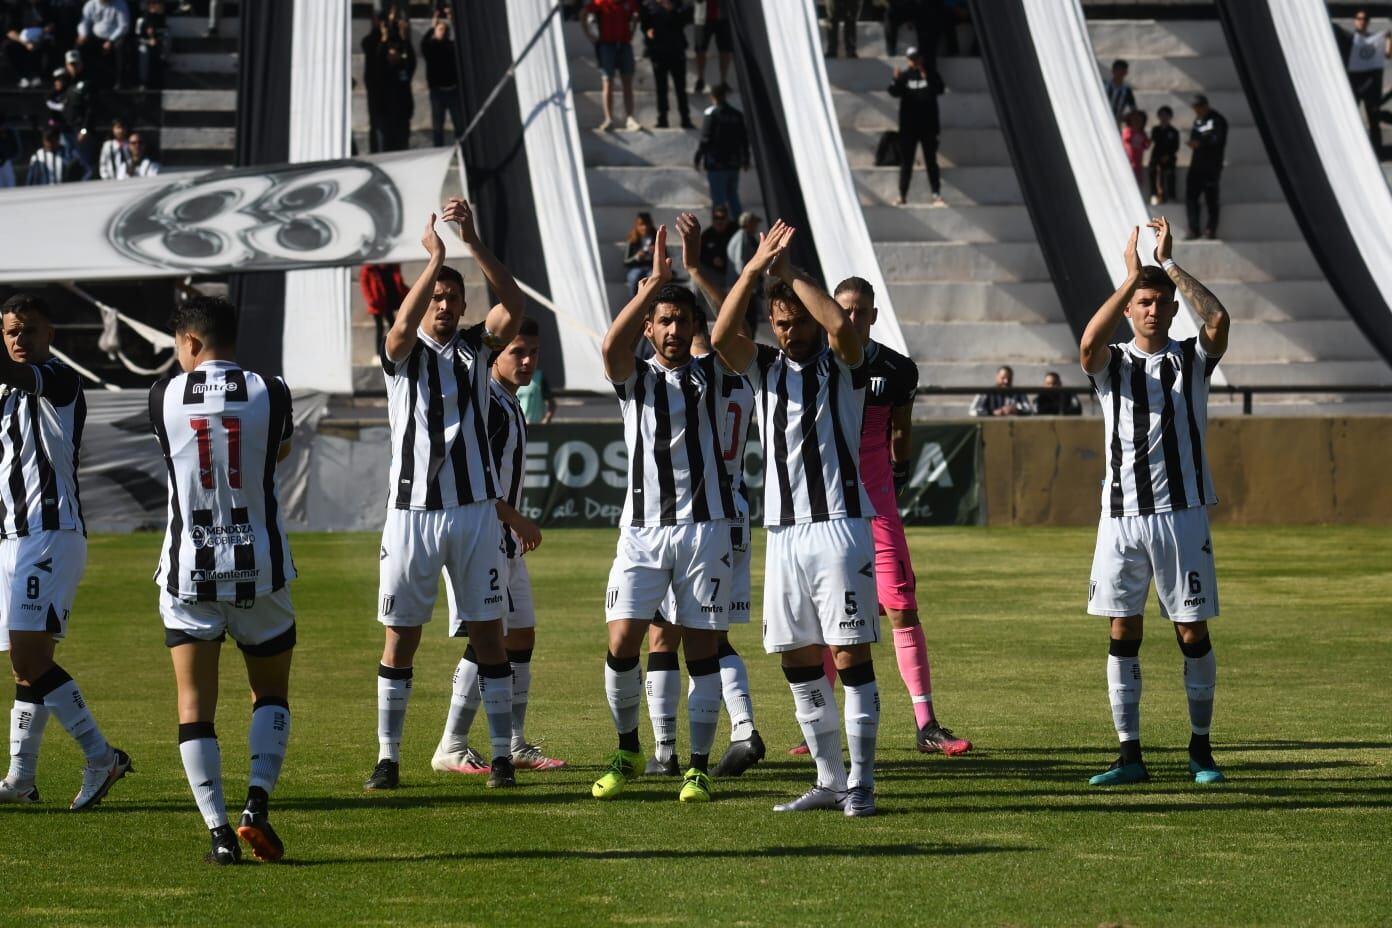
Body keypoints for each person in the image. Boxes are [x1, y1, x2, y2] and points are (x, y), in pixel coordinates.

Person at [712, 221, 882, 818]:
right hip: (782, 532)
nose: (790, 333)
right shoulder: (763, 366)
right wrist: (755, 271)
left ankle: (862, 782)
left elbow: (839, 324)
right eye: (781, 324)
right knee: (796, 658)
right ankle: (829, 778)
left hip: (839, 523)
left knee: (849, 655)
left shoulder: (844, 362)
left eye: (796, 322)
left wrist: (789, 274)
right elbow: (720, 334)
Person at [365, 199, 526, 793]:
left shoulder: (475, 350)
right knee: (401, 636)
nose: (445, 303)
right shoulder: (401, 355)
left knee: (490, 632)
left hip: (474, 513)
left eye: (453, 297)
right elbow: (401, 328)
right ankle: (388, 757)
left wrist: (474, 243)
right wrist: (433, 258)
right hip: (411, 515)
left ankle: (503, 754)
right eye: (437, 295)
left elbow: (515, 307)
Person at [591, 221, 739, 805]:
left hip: (704, 530)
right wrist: (651, 285)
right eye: (665, 321)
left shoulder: (714, 373)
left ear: (697, 328)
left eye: (683, 321)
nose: (675, 330)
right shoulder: (636, 380)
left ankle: (696, 768)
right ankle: (629, 748)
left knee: (701, 648)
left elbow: (736, 329)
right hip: (643, 532)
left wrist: (697, 271)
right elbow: (609, 348)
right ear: (650, 328)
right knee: (624, 638)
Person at [1079, 216, 1230, 787]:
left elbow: (1217, 319)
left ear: (1169, 308)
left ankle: (1200, 750)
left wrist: (1167, 265)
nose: (1149, 310)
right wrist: (1129, 277)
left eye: (1157, 302)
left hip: (1181, 515)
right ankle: (1129, 755)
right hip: (1119, 518)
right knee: (1123, 630)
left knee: (1191, 632)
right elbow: (1087, 343)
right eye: (1141, 302)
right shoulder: (1112, 363)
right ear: (1131, 308)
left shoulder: (1192, 358)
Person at [148, 295, 298, 864]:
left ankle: (216, 834)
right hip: (261, 567)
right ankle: (256, 807)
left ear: (188, 343)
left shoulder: (162, 395)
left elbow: (176, 454)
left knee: (195, 704)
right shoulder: (274, 390)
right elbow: (276, 450)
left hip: (190, 569)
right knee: (270, 693)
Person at [641, 213, 765, 781]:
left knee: (680, 633)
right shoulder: (741, 368)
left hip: (698, 511)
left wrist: (681, 273)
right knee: (705, 633)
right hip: (731, 506)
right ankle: (729, 732)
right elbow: (729, 328)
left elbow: (717, 333)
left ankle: (700, 742)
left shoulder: (702, 374)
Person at [0, 294, 131, 811]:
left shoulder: (59, 379)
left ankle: (103, 757)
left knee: (30, 654)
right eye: (11, 331)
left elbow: (28, 376)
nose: (19, 340)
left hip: (50, 535)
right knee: (25, 665)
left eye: (29, 330)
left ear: (49, 333)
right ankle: (21, 779)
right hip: (12, 539)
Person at [835, 277, 972, 756]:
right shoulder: (819, 366)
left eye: (860, 311)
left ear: (873, 315)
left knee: (902, 608)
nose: (852, 319)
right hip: (830, 510)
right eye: (844, 310)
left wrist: (896, 479)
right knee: (832, 618)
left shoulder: (897, 369)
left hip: (877, 508)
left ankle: (926, 723)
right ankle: (822, 729)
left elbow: (901, 432)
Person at [431, 318, 566, 776]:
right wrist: (516, 518)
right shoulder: (487, 404)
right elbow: (478, 481)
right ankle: (451, 744)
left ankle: (515, 741)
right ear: (495, 355)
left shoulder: (509, 401)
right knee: (490, 639)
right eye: (517, 352)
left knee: (521, 634)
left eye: (533, 353)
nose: (527, 361)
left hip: (505, 542)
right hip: (483, 537)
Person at [888, 47, 944, 207]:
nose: (914, 61)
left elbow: (940, 89)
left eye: (916, 58)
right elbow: (893, 92)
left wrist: (928, 77)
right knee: (906, 162)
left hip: (928, 127)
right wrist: (895, 79)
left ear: (921, 58)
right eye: (911, 58)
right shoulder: (905, 76)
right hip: (908, 128)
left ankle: (936, 194)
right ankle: (902, 195)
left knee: (931, 161)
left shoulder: (931, 74)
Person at [1337, 10, 1392, 159]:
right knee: (1349, 117)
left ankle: (1377, 151)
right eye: (1358, 19)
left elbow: (1388, 54)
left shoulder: (1374, 40)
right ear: (1355, 21)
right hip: (1354, 85)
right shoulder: (1350, 38)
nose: (1361, 21)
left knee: (1373, 120)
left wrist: (1388, 39)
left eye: (1364, 19)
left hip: (1371, 86)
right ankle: (1348, 149)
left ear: (1368, 22)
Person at [582, 0, 641, 132]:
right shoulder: (601, 2)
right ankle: (608, 118)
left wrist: (632, 31)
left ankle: (630, 118)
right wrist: (589, 34)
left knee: (627, 81)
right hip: (606, 45)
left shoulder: (629, 3)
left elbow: (636, 15)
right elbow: (584, 13)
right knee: (608, 81)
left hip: (624, 44)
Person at [694, 83, 749, 218]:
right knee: (733, 196)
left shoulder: (711, 113)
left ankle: (721, 227)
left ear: (713, 96)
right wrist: (745, 158)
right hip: (733, 163)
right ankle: (738, 226)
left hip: (716, 163)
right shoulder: (737, 115)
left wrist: (698, 156)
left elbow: (705, 139)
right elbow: (744, 139)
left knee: (719, 199)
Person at [641, 0, 693, 130]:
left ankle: (685, 118)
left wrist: (672, 10)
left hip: (676, 50)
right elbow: (645, 25)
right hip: (658, 51)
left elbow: (687, 16)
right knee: (661, 87)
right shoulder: (649, 5)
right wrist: (648, 32)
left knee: (680, 86)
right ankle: (662, 117)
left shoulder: (678, 4)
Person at [1186, 94, 1227, 240]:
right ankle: (1193, 229)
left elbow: (1217, 139)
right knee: (1191, 197)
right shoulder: (1198, 121)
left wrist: (1201, 143)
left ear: (1205, 106)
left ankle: (1211, 229)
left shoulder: (1217, 120)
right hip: (1196, 165)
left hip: (1211, 166)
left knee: (1211, 198)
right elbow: (1194, 137)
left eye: (1198, 107)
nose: (1197, 110)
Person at [421, 10, 463, 148]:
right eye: (439, 29)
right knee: (438, 126)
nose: (442, 32)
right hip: (438, 92)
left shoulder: (450, 46)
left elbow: (460, 41)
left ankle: (461, 150)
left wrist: (452, 21)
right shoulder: (431, 46)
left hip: (452, 90)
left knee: (459, 124)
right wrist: (432, 27)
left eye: (444, 29)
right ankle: (438, 151)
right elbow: (423, 44)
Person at [75, 0, 129, 90]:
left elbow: (124, 26)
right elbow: (84, 22)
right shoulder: (91, 4)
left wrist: (111, 41)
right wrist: (83, 34)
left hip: (114, 38)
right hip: (94, 37)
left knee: (119, 47)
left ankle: (119, 82)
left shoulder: (120, 4)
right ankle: (80, 79)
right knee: (79, 46)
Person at [379, 29, 416, 152]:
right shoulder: (382, 71)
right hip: (387, 116)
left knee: (402, 147)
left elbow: (412, 61)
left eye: (396, 54)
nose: (393, 56)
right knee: (388, 149)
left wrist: (405, 40)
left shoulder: (404, 70)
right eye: (391, 53)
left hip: (402, 117)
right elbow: (376, 60)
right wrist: (383, 41)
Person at [5, 0, 56, 88]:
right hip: (22, 40)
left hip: (41, 38)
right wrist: (25, 43)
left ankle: (42, 77)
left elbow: (51, 23)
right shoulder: (16, 7)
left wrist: (41, 34)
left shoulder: (45, 5)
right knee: (8, 47)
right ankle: (23, 77)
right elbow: (9, 31)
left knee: (52, 45)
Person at [360, 262, 405, 351]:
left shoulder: (391, 267)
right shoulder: (369, 269)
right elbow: (365, 286)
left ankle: (393, 349)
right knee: (380, 327)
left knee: (393, 326)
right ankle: (378, 352)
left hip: (388, 302)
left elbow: (398, 283)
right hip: (377, 304)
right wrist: (372, 300)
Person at [691, 0, 730, 95]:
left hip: (722, 15)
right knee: (700, 49)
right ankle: (700, 78)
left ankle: (723, 81)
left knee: (725, 49)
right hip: (702, 17)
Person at [1148, 105, 1178, 206]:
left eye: (1166, 115)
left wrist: (1168, 156)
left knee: (1169, 175)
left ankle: (1170, 196)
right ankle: (1154, 194)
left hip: (1169, 158)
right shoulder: (1155, 130)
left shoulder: (1174, 132)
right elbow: (1153, 142)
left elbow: (1175, 147)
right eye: (1162, 115)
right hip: (1156, 157)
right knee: (1153, 172)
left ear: (1170, 117)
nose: (1164, 118)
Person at [624, 212, 657, 295]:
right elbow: (626, 262)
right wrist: (637, 257)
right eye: (641, 225)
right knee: (634, 276)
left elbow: (666, 257)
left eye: (647, 225)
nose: (644, 228)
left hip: (651, 266)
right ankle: (634, 301)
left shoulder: (656, 237)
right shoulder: (632, 239)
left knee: (654, 277)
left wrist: (656, 254)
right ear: (637, 226)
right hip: (637, 267)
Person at [699, 205, 734, 282]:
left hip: (734, 272)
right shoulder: (707, 235)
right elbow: (699, 254)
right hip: (713, 275)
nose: (719, 221)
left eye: (722, 218)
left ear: (727, 219)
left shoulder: (735, 232)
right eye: (716, 218)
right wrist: (712, 260)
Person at [134, 0, 164, 89]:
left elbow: (163, 32)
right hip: (144, 43)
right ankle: (143, 81)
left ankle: (163, 62)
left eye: (156, 3)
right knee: (143, 50)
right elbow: (137, 38)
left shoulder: (160, 18)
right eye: (152, 3)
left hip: (157, 42)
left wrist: (157, 40)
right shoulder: (141, 20)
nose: (155, 6)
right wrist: (148, 42)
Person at [1122, 109, 1149, 187]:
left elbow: (1145, 146)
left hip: (1138, 162)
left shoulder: (1142, 133)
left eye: (1140, 120)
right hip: (1128, 161)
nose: (1137, 122)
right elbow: (1126, 140)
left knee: (1137, 179)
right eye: (1135, 119)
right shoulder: (1127, 131)